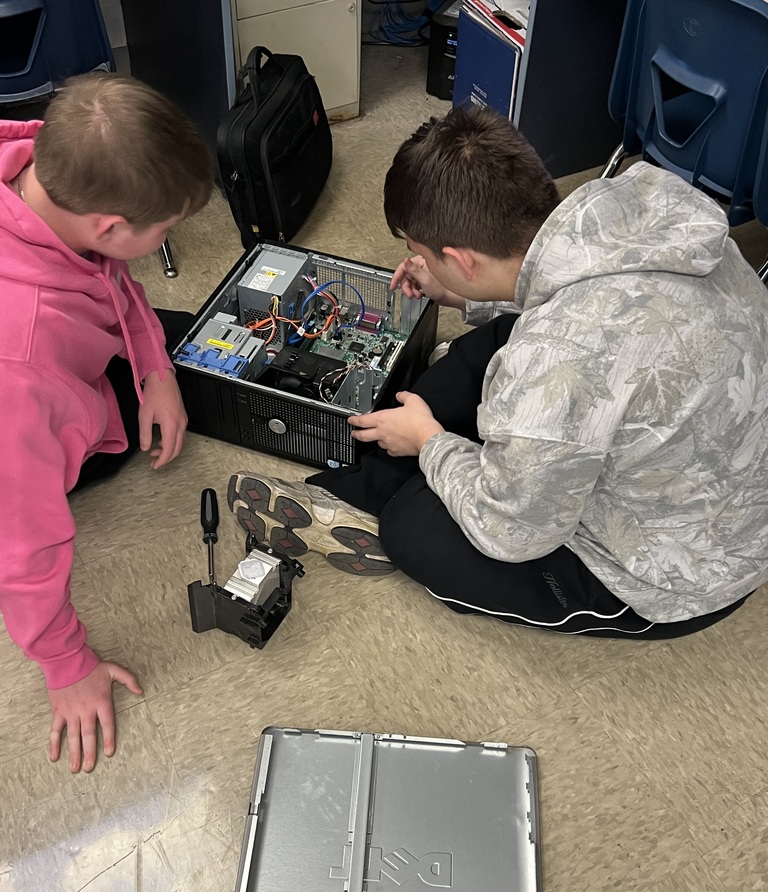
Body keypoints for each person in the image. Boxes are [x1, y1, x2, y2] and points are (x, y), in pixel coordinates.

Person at [229, 106, 768, 641]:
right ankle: (366, 483)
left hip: (679, 571)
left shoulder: (558, 360)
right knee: (488, 348)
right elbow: (558, 291)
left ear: (462, 259)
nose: (416, 262)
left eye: (422, 254)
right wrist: (460, 293)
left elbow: (511, 532)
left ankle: (378, 498)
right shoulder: (621, 202)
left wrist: (431, 445)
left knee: (413, 528)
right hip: (689, 453)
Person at [0, 74, 213, 773]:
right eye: (164, 232)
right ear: (109, 227)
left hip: (52, 344)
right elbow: (21, 544)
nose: (165, 241)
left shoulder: (36, 165)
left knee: (182, 344)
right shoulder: (23, 376)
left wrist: (156, 368)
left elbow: (113, 281)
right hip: (20, 412)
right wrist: (66, 665)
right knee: (108, 449)